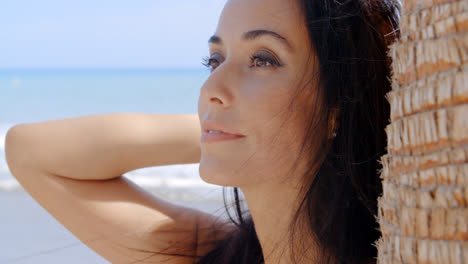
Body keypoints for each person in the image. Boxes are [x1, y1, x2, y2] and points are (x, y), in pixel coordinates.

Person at [5, 0, 401, 263]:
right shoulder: (214, 254)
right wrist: (220, 130)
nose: (211, 89)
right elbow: (29, 150)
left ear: (338, 106)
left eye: (262, 59)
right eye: (215, 59)